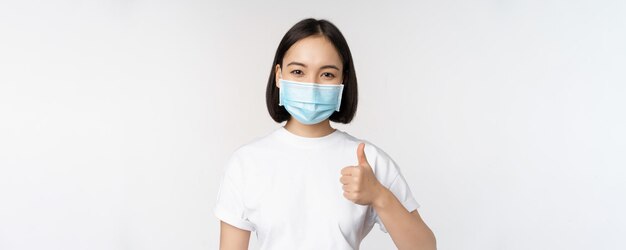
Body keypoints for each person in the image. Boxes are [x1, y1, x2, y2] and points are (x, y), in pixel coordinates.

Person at [213, 18, 436, 250]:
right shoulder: (247, 163)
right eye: (298, 71)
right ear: (279, 75)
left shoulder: (368, 161)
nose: (311, 85)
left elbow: (425, 248)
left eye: (327, 74)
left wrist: (379, 196)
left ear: (343, 79)